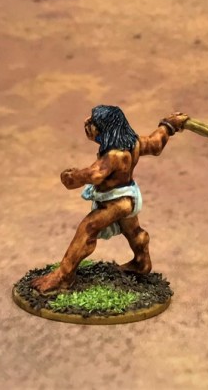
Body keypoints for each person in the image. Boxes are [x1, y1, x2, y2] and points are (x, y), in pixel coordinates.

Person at [31, 105, 188, 294]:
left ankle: (63, 275)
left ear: (106, 129)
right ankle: (141, 262)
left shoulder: (114, 155)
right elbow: (155, 143)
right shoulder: (134, 142)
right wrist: (169, 125)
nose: (87, 123)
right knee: (133, 231)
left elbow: (95, 174)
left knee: (88, 228)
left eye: (94, 122)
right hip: (129, 197)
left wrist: (73, 177)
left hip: (115, 202)